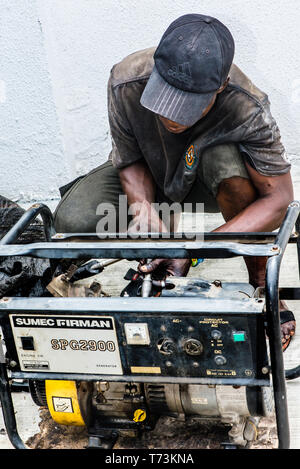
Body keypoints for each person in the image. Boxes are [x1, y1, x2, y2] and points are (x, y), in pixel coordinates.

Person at [53, 14, 295, 350]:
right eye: (165, 99)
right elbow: (129, 158)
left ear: (221, 85)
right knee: (72, 220)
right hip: (153, 170)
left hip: (211, 179)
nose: (171, 117)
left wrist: (193, 249)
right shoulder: (125, 80)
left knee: (227, 164)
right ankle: (162, 238)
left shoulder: (247, 106)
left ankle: (260, 282)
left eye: (187, 105)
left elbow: (279, 199)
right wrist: (145, 214)